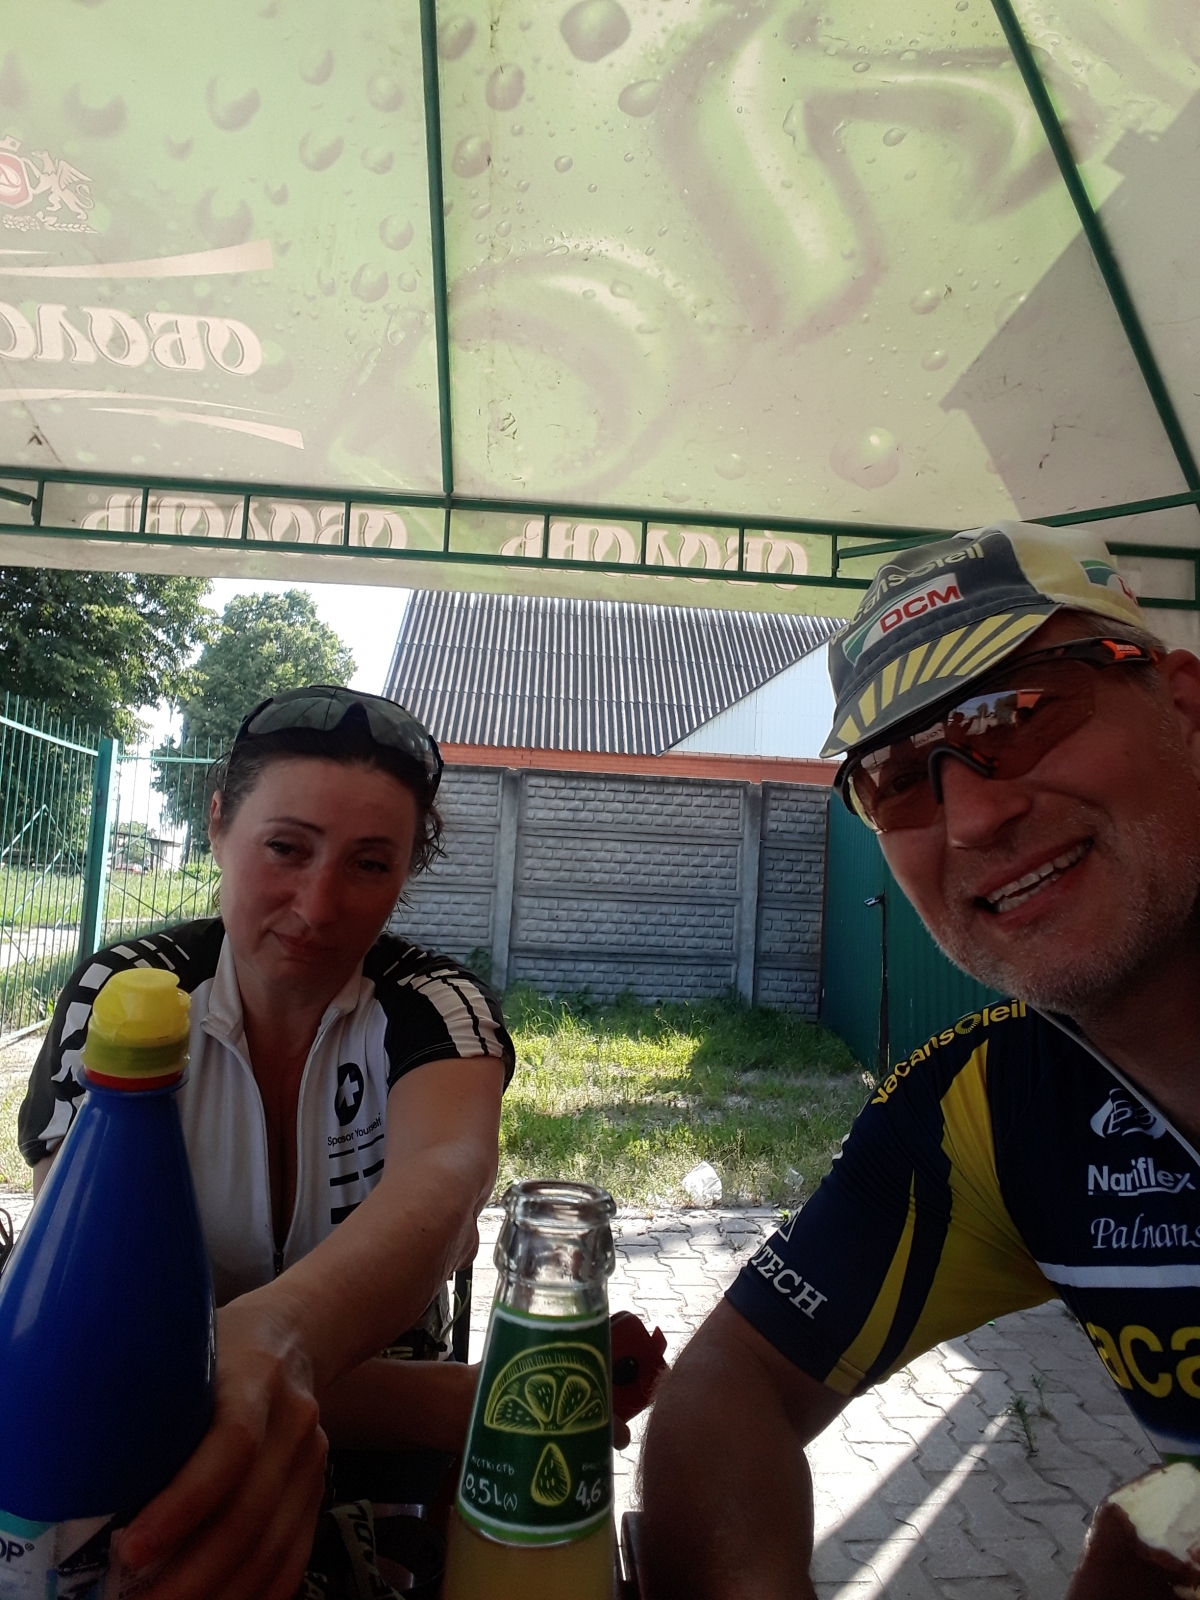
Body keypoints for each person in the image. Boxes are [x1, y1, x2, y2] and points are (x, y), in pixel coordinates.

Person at [639, 522, 1200, 1598]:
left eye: (1019, 711)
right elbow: (733, 1383)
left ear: (1184, 709)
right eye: (899, 777)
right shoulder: (990, 1106)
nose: (974, 816)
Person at [18, 685, 515, 1600]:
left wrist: (250, 1355)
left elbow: (447, 1180)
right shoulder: (125, 995)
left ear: (407, 872)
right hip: (159, 1462)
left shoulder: (435, 1006)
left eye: (370, 864)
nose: (318, 906)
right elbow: (96, 1332)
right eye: (286, 848)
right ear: (218, 825)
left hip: (379, 1482)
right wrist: (457, 1401)